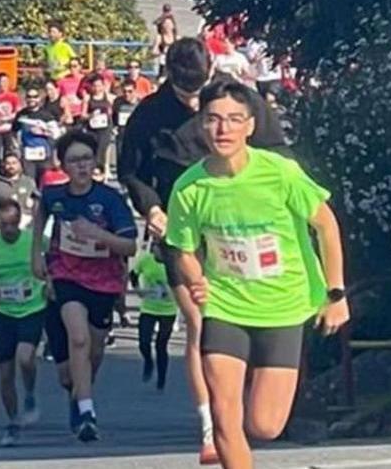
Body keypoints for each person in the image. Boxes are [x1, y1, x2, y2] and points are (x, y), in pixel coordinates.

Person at [117, 37, 288, 464]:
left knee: (247, 319)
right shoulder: (149, 114)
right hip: (183, 231)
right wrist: (152, 208)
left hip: (241, 230)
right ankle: (212, 426)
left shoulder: (238, 100)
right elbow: (131, 172)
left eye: (199, 90)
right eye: (183, 92)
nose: (193, 103)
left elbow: (278, 152)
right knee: (201, 324)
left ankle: (251, 391)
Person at [167, 81, 350, 469]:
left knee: (264, 425)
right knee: (223, 413)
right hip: (225, 306)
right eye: (214, 119)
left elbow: (326, 226)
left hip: (283, 308)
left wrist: (336, 294)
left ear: (250, 126)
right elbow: (183, 249)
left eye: (234, 120)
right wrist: (195, 276)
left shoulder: (280, 173)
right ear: (201, 124)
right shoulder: (189, 187)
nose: (223, 129)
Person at [32, 131, 138, 443]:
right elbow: (40, 217)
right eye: (74, 160)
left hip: (103, 282)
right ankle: (88, 411)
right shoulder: (54, 195)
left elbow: (130, 246)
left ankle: (79, 397)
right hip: (66, 276)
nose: (81, 166)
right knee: (78, 339)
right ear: (62, 165)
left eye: (87, 159)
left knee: (85, 360)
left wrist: (97, 234)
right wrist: (36, 255)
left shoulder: (109, 199)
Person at [0, 199, 45, 446]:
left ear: (20, 221)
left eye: (13, 224)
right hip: (2, 311)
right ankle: (13, 421)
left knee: (25, 357)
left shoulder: (32, 241)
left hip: (32, 307)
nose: (9, 229)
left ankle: (29, 392)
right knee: (5, 374)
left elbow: (53, 263)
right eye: (4, 224)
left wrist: (48, 283)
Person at [133, 241, 177, 389]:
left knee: (161, 345)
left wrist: (173, 293)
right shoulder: (146, 260)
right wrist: (138, 290)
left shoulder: (173, 263)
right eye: (154, 249)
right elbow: (133, 274)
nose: (156, 252)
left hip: (168, 310)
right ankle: (148, 361)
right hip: (149, 308)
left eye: (159, 249)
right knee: (143, 342)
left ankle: (161, 379)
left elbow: (183, 283)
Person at [13, 86, 59, 184]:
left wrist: (42, 132)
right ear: (25, 99)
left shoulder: (46, 115)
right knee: (29, 181)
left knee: (44, 181)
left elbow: (56, 134)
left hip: (44, 154)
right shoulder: (21, 114)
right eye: (29, 97)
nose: (31, 99)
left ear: (39, 98)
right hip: (27, 153)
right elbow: (13, 131)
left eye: (34, 96)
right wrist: (17, 147)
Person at [0, 153, 39, 230]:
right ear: (4, 165)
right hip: (6, 224)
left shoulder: (29, 182)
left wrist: (33, 203)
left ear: (20, 164)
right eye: (8, 163)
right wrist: (5, 209)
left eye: (14, 163)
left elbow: (39, 203)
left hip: (27, 223)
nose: (11, 166)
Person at [82, 75, 116, 174]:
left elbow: (114, 112)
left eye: (99, 85)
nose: (97, 88)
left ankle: (104, 168)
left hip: (105, 126)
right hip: (93, 127)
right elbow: (83, 115)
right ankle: (95, 168)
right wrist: (90, 115)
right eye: (95, 86)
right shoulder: (88, 98)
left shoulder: (109, 97)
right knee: (94, 146)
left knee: (104, 146)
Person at [112, 77, 142, 164]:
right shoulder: (118, 102)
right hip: (122, 134)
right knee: (121, 159)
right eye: (124, 91)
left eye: (130, 91)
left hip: (136, 134)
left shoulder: (140, 103)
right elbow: (114, 116)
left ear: (135, 91)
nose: (127, 94)